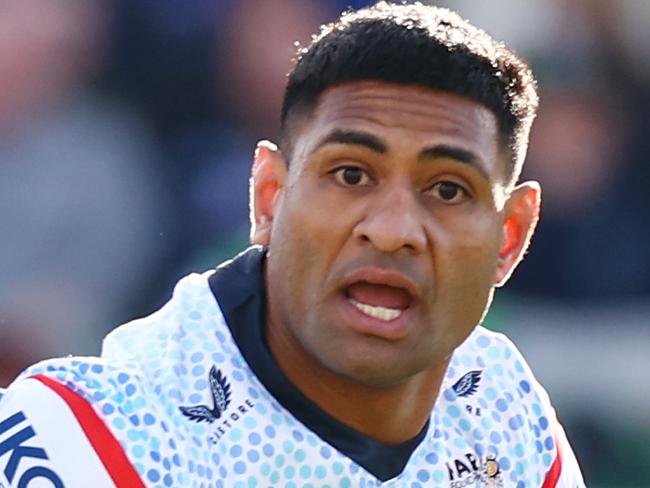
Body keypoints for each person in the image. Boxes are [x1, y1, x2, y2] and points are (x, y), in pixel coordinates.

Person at [0, 2, 585, 486]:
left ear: (510, 237)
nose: (392, 229)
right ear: (269, 199)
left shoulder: (506, 417)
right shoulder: (82, 436)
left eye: (449, 189)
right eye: (351, 174)